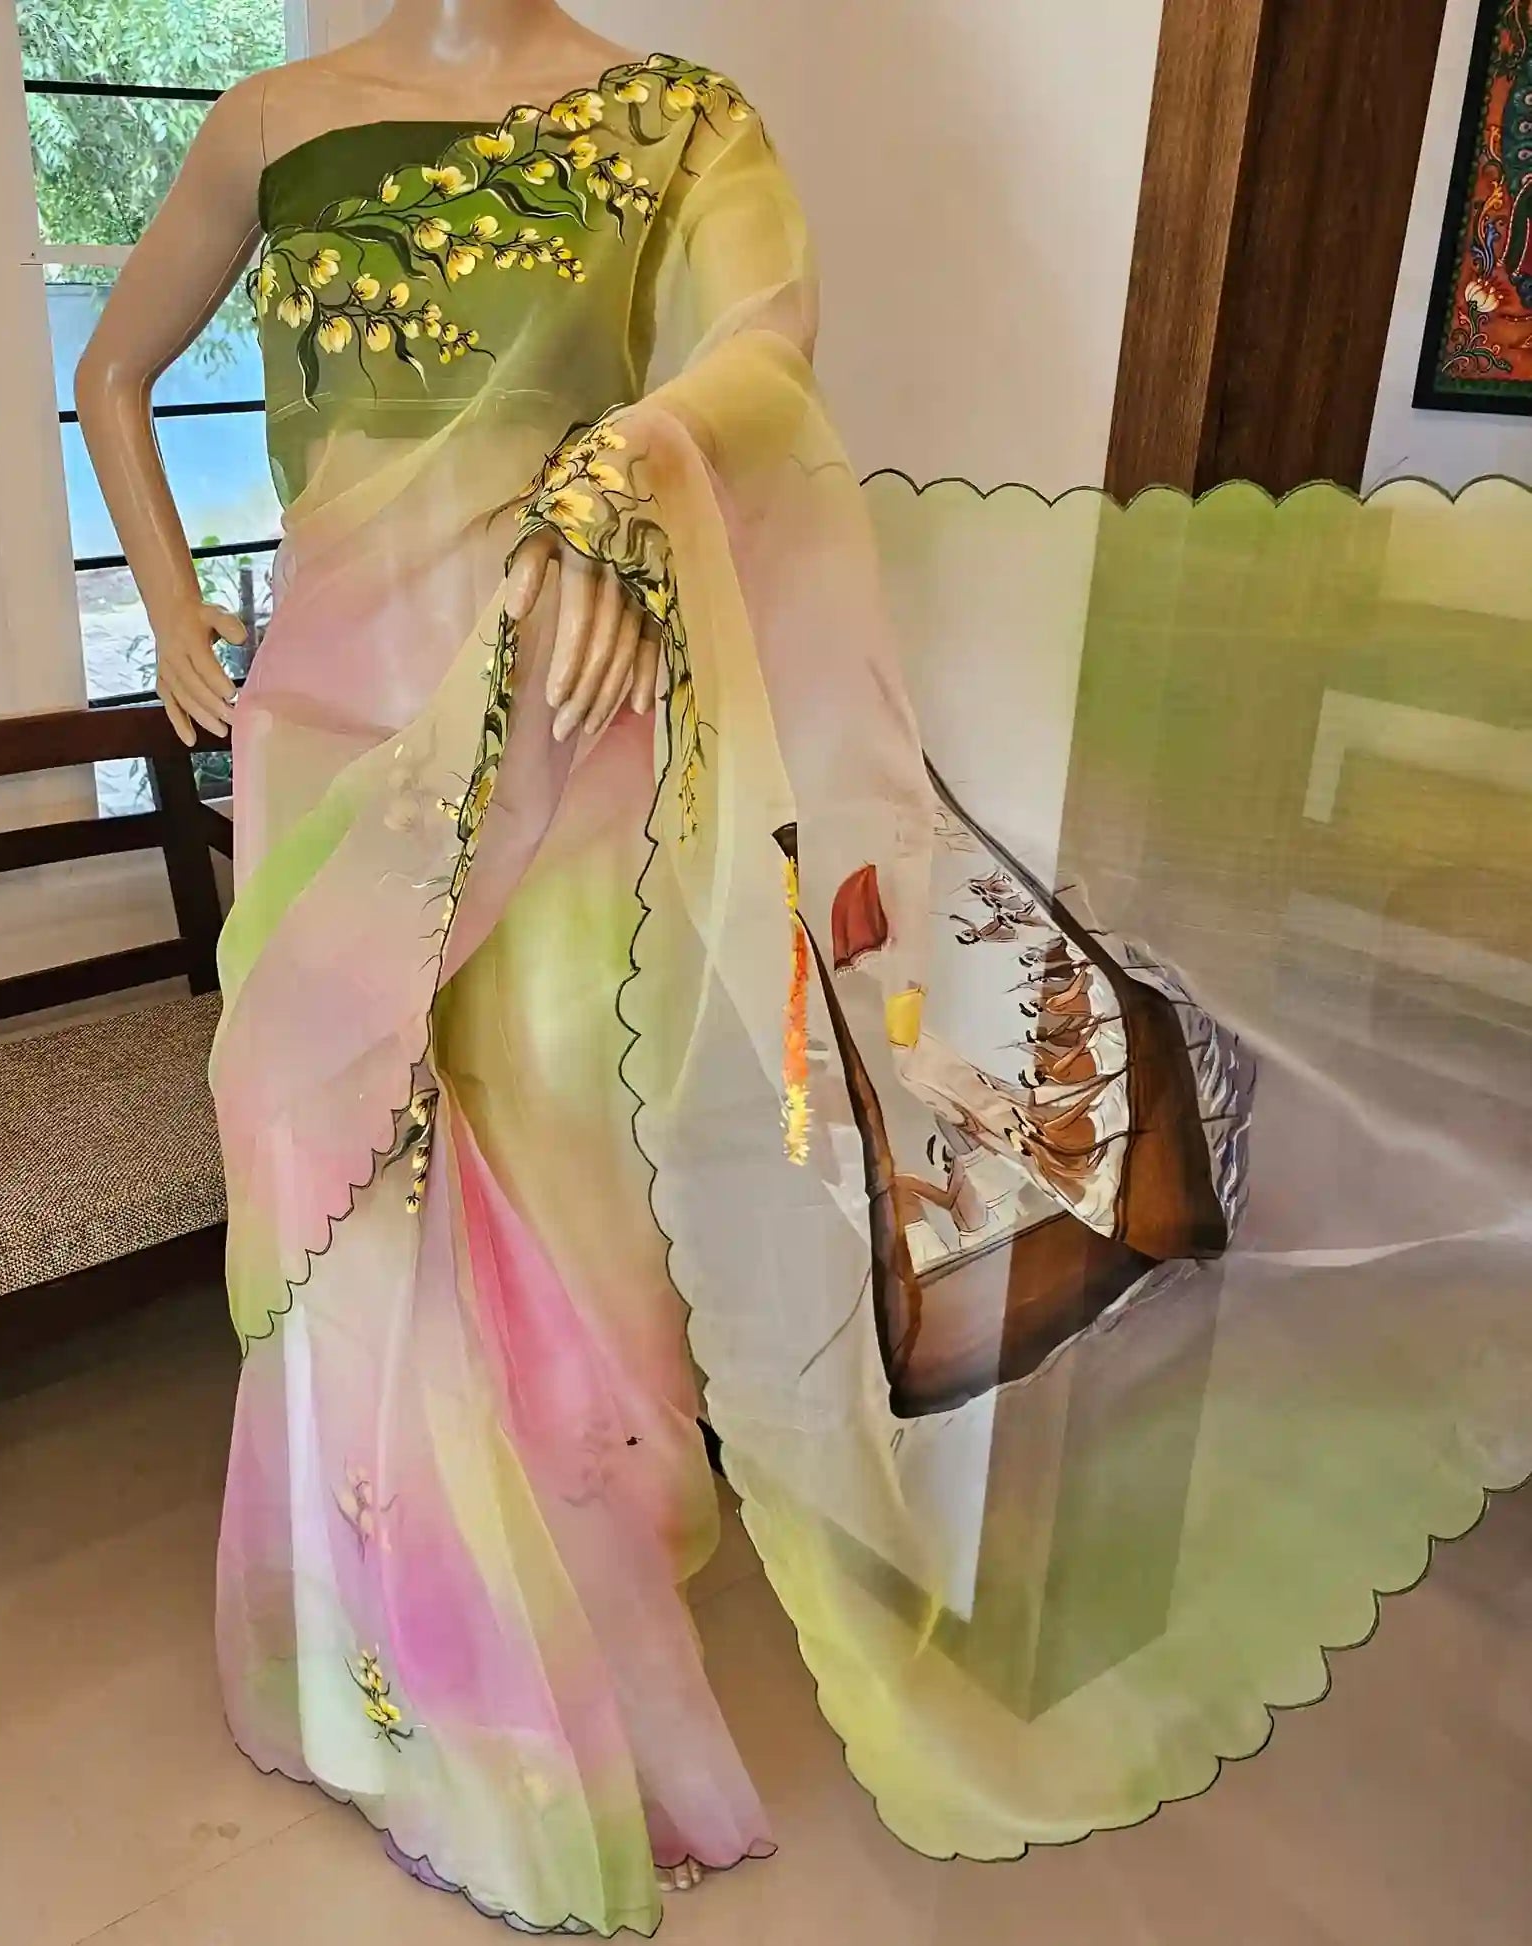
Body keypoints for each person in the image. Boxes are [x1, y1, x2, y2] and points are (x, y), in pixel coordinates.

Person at [76, 1, 1531, 1932]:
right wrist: (178, 617)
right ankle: (386, 1674)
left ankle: (559, 1699)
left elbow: (758, 356)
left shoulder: (673, 121)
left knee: (567, 1194)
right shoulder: (271, 120)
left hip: (561, 746)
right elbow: (110, 373)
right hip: (326, 748)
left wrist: (615, 491)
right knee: (333, 1196)